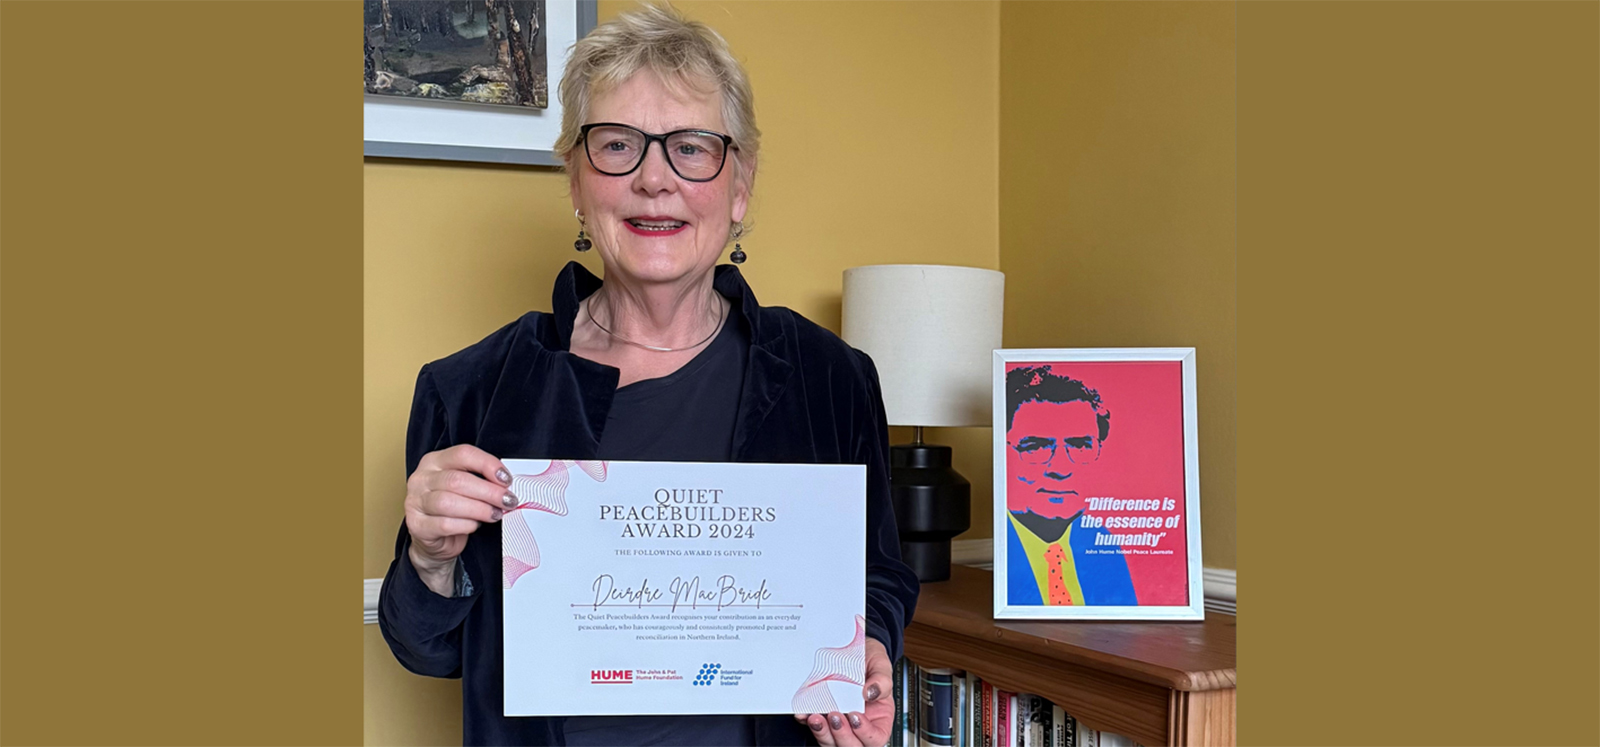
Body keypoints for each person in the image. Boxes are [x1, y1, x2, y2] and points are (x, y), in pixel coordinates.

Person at [377, 6, 919, 746]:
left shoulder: (829, 376)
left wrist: (871, 646)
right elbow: (428, 650)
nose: (654, 179)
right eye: (617, 145)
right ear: (576, 180)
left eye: (691, 147)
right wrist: (430, 559)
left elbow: (878, 574)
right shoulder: (473, 388)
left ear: (739, 185)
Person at [1003, 365, 1136, 606]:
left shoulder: (1100, 540)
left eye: (1080, 446)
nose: (1061, 469)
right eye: (1035, 447)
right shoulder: (1000, 546)